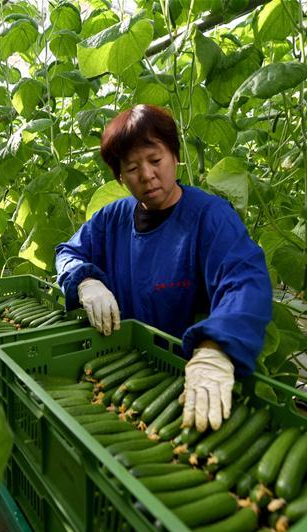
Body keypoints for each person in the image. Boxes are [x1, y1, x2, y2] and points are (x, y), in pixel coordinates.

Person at [54, 104, 272, 433]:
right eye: (131, 168)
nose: (146, 175)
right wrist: (84, 280)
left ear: (175, 155)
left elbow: (244, 283)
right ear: (120, 177)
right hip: (121, 372)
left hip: (185, 382)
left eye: (155, 160)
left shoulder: (209, 216)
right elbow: (69, 251)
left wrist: (215, 349)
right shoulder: (113, 218)